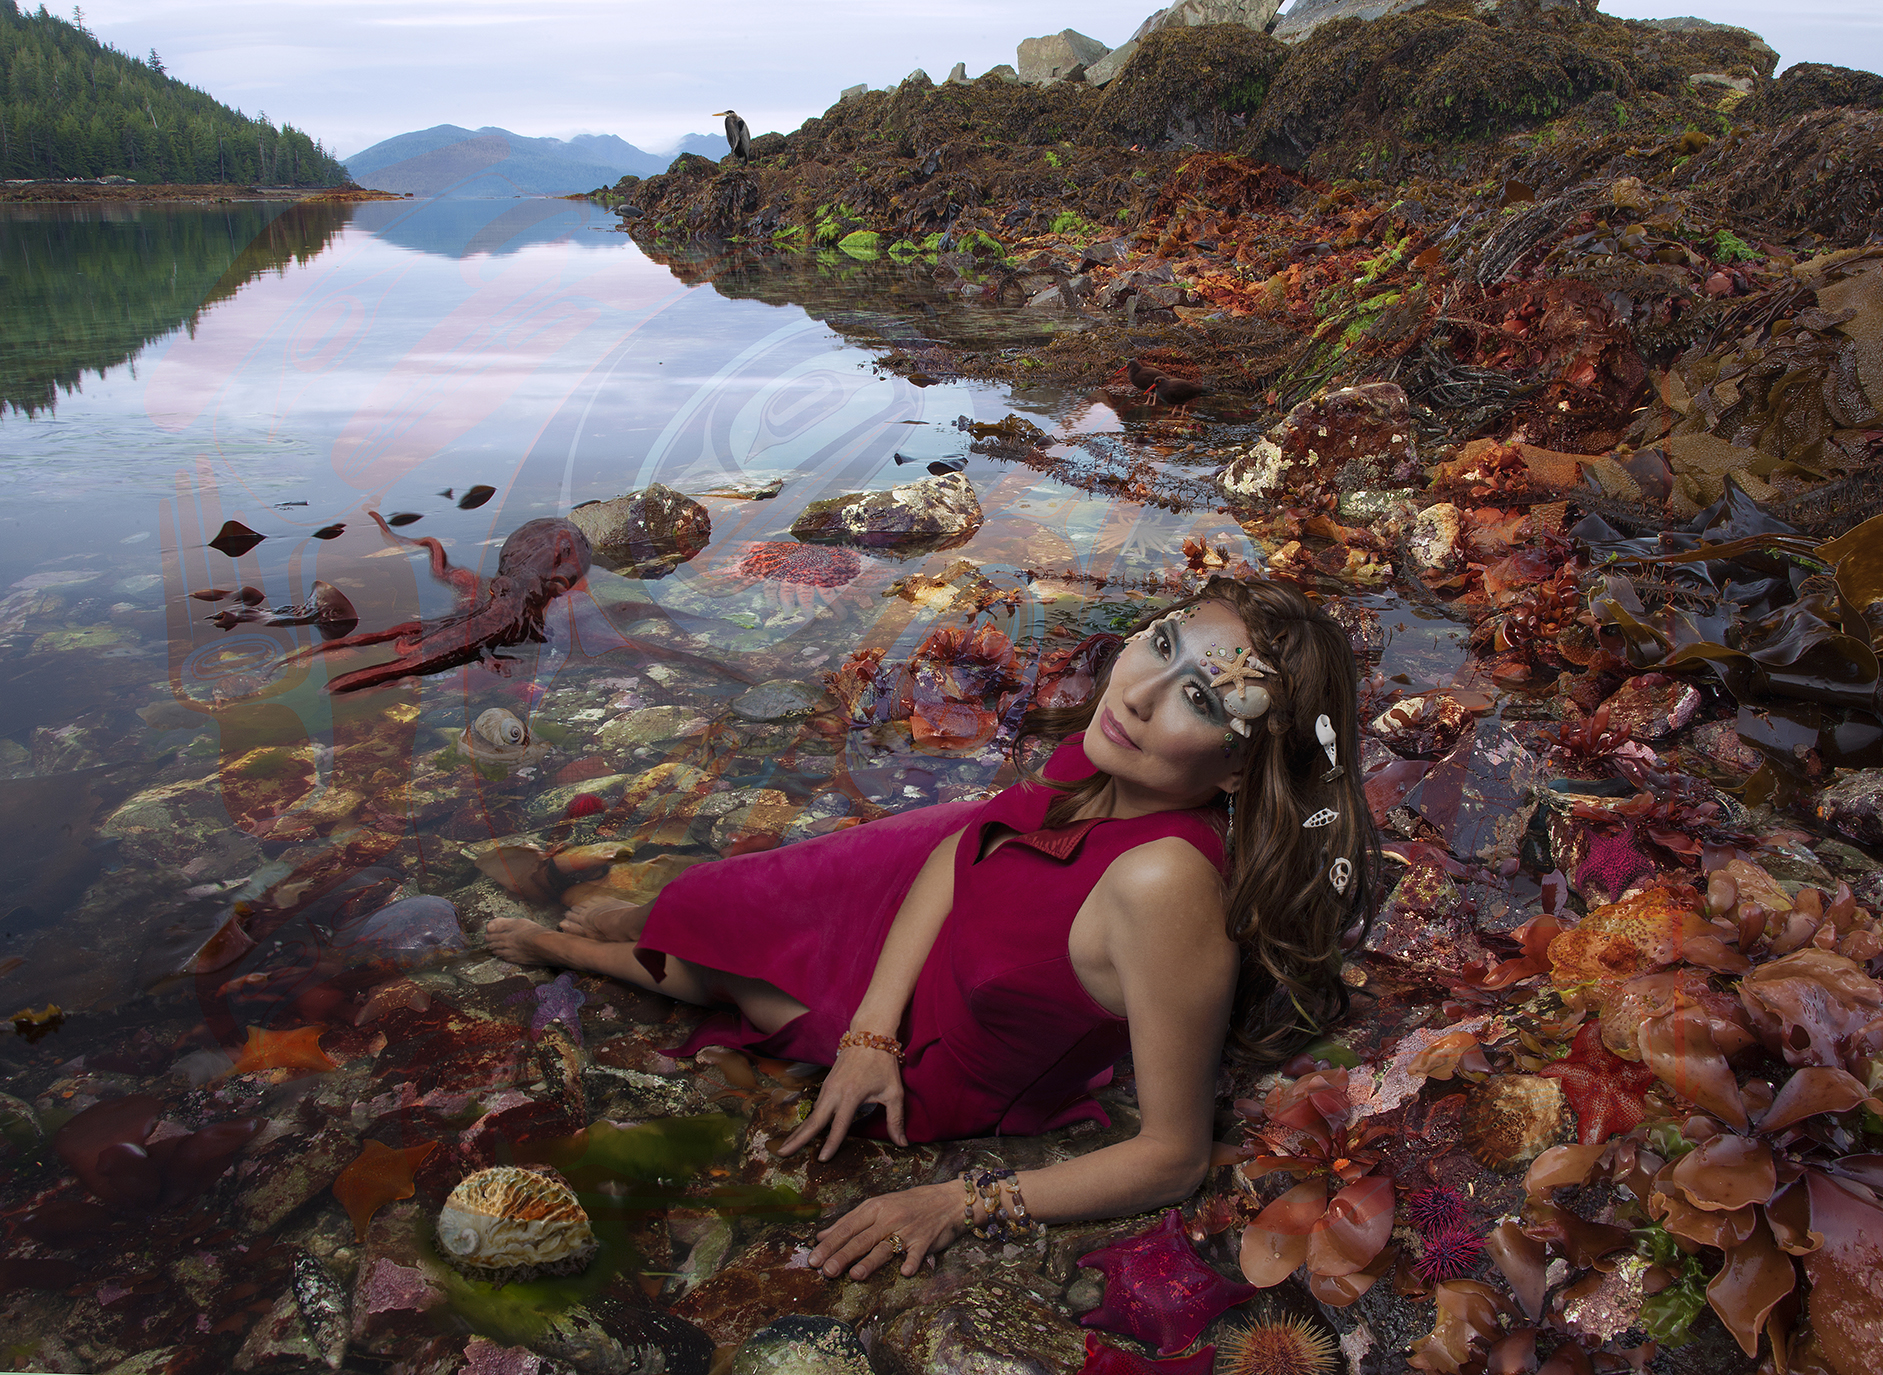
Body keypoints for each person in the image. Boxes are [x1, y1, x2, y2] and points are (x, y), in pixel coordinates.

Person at [485, 576, 1376, 1282]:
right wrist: (871, 1028)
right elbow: (969, 848)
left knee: (716, 976)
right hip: (943, 906)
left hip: (950, 1052)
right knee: (736, 892)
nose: (1135, 693)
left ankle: (575, 947)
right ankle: (642, 909)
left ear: (1237, 769)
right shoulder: (1107, 761)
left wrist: (958, 1201)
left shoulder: (1160, 883)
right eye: (1162, 643)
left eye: (1201, 699)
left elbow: (1172, 1156)